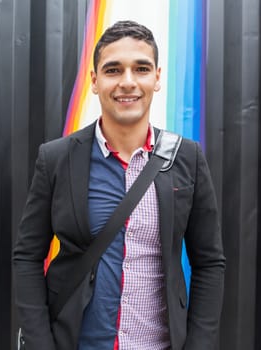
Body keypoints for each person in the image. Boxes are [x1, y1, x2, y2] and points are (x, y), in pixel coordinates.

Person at [12, 20, 225, 350]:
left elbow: (209, 262)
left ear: (156, 77)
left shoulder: (187, 158)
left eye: (141, 68)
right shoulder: (56, 159)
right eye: (113, 70)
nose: (128, 82)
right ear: (95, 81)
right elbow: (27, 257)